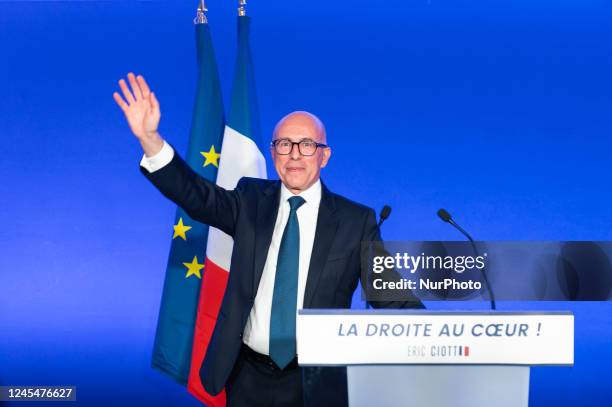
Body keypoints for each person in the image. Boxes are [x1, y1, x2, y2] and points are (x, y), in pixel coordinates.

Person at [114, 72, 423, 406]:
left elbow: (394, 300)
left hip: (318, 380)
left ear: (324, 155)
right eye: (283, 145)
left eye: (307, 145)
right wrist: (150, 139)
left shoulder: (355, 221)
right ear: (273, 153)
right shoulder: (249, 200)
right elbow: (196, 196)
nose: (294, 155)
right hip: (247, 376)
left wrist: (446, 341)